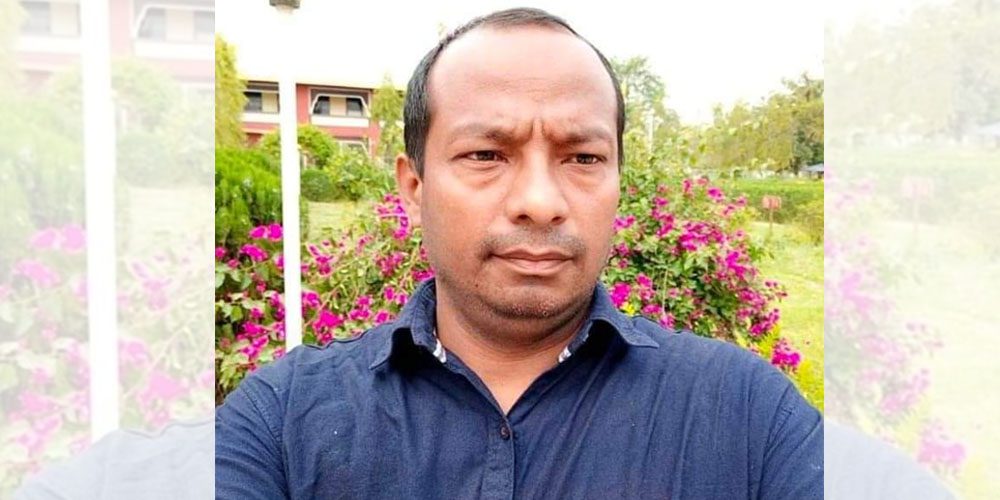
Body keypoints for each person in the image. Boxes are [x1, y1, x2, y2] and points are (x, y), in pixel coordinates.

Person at [216, 7, 823, 499]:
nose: (540, 201)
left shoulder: (750, 419)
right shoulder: (282, 425)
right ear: (414, 188)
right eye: (486, 154)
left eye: (582, 157)